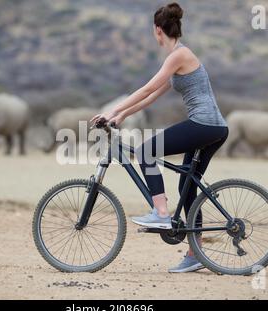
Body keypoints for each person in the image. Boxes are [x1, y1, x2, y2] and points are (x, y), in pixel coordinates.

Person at [91, 2, 228, 273]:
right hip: (214, 128)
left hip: (204, 125)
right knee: (187, 186)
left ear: (157, 31)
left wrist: (111, 110)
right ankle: (195, 253)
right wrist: (123, 116)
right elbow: (154, 95)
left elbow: (147, 87)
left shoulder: (178, 55)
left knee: (145, 152)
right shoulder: (180, 58)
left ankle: (161, 215)